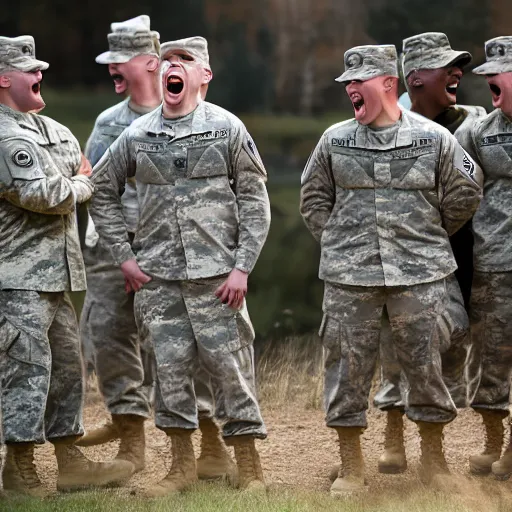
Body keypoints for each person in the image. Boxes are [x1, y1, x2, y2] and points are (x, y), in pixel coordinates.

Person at [89, 36, 270, 497]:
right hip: (158, 281)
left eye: (184, 60)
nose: (173, 66)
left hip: (216, 280)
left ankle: (250, 471)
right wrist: (124, 258)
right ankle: (180, 471)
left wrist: (242, 268)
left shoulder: (228, 129)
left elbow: (255, 200)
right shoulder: (136, 134)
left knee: (231, 372)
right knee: (168, 375)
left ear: (203, 75)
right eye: (167, 60)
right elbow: (101, 192)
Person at [300, 44, 482, 495]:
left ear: (387, 83)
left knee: (426, 367)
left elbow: (466, 191)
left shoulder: (433, 138)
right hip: (350, 280)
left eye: (357, 82)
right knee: (347, 369)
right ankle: (351, 466)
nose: (349, 90)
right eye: (346, 84)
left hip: (420, 277)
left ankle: (434, 461)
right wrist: (343, 245)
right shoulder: (334, 140)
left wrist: (426, 237)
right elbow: (312, 199)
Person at [0, 35, 134, 497]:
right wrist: (77, 182)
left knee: (66, 370)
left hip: (57, 277)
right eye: (29, 70)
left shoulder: (53, 129)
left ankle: (69, 460)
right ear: (3, 78)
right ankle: (19, 470)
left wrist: (74, 180)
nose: (40, 75)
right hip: (15, 280)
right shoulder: (3, 138)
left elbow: (76, 173)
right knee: (26, 370)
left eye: (40, 68)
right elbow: (46, 195)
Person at [372, 32, 487, 475]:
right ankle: (396, 435)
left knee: (458, 345)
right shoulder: (381, 125)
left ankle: (456, 437)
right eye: (446, 65)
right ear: (415, 77)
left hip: (472, 255)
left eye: (459, 65)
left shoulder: (475, 123)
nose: (457, 71)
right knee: (397, 345)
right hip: (404, 263)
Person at [76, 14, 161, 473]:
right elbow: (92, 181)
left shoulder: (187, 115)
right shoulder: (108, 120)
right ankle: (129, 434)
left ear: (150, 63)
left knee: (172, 344)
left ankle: (202, 443)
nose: (112, 69)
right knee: (108, 335)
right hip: (111, 248)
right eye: (109, 61)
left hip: (165, 249)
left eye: (121, 61)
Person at [456, 36, 512, 480]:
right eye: (489, 76)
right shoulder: (477, 132)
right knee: (491, 357)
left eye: (500, 72)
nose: (490, 82)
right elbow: (453, 189)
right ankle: (494, 439)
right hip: (494, 263)